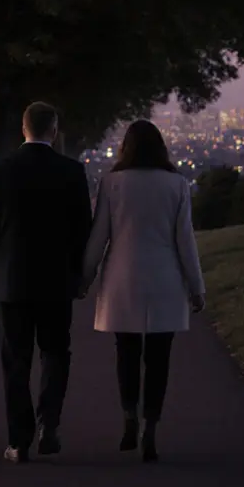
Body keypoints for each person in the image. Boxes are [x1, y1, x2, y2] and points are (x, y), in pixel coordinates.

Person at [81, 119, 205, 463]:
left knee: (126, 354)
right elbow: (185, 242)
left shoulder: (112, 184)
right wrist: (197, 288)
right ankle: (151, 425)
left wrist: (85, 277)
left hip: (123, 279)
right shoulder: (177, 185)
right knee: (159, 359)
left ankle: (129, 417)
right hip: (165, 279)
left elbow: (99, 237)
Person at [0, 101, 93, 464]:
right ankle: (50, 424)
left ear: (22, 129)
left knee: (16, 361)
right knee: (56, 353)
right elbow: (81, 232)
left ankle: (18, 441)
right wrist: (78, 277)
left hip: (12, 282)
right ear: (53, 131)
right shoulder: (72, 171)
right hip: (57, 282)